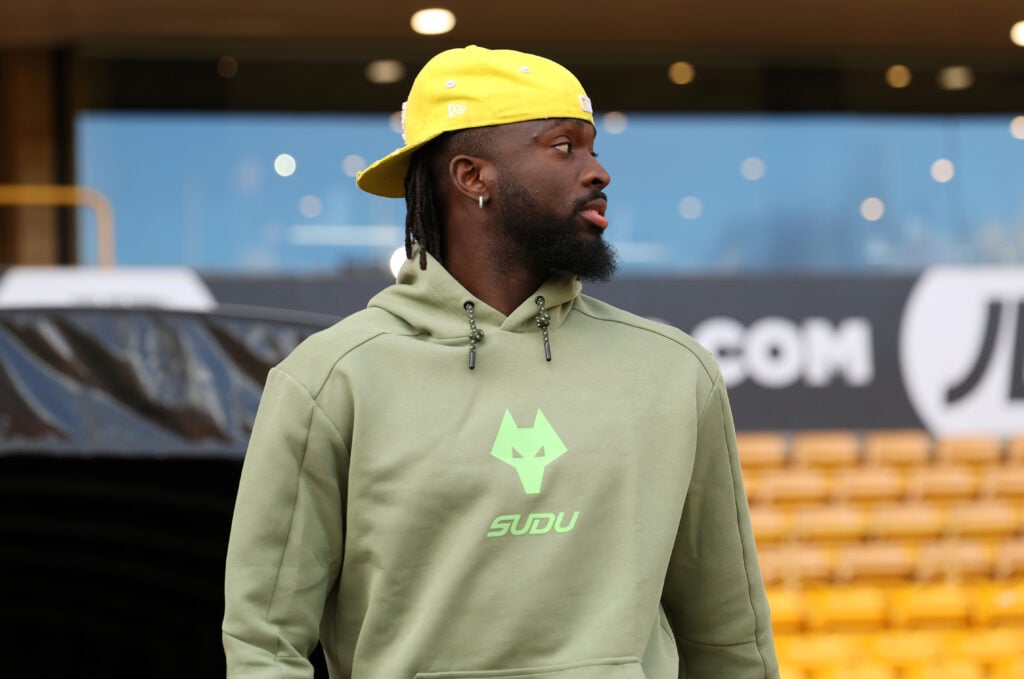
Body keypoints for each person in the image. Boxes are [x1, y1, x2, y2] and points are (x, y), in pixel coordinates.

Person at [223, 45, 779, 678]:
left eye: (593, 148)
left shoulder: (676, 372)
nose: (598, 171)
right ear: (472, 176)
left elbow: (730, 641)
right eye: (563, 147)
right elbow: (263, 646)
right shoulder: (332, 379)